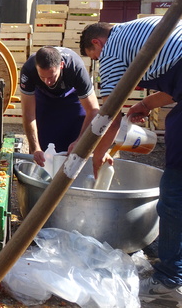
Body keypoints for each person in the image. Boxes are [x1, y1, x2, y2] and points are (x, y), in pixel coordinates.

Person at [80, 16, 182, 304]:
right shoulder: (142, 26)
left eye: (94, 56)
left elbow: (109, 112)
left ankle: (169, 281)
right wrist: (146, 103)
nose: (99, 62)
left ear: (97, 43)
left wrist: (98, 155)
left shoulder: (111, 50)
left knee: (174, 194)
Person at [19, 46, 100, 166]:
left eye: (51, 76)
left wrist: (80, 141)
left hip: (72, 97)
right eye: (43, 77)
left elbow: (93, 110)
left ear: (61, 65)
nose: (47, 82)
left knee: (74, 142)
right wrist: (35, 147)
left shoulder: (76, 68)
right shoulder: (28, 69)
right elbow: (28, 113)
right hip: (43, 96)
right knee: (42, 144)